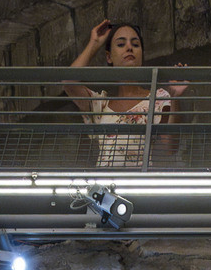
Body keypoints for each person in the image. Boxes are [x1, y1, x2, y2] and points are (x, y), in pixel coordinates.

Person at [64, 19, 186, 168]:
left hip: (138, 180)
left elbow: (170, 147)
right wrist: (94, 43)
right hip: (103, 181)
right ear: (109, 57)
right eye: (121, 44)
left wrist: (175, 97)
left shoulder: (157, 98)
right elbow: (69, 82)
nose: (129, 48)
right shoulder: (101, 104)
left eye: (135, 44)